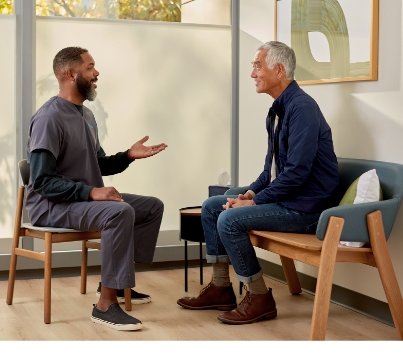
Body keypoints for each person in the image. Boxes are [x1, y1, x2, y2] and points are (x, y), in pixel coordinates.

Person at [177, 41, 339, 325]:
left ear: (278, 70)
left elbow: (297, 173)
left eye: (257, 65)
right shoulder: (277, 111)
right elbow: (271, 171)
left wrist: (253, 202)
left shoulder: (303, 109)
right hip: (288, 200)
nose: (252, 73)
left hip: (307, 209)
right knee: (212, 206)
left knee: (228, 220)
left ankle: (260, 297)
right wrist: (251, 191)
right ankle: (221, 288)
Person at [26, 46, 167, 331]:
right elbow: (41, 180)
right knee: (119, 213)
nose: (96, 73)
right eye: (90, 68)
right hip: (52, 205)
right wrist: (90, 192)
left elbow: (98, 163)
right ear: (70, 73)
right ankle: (105, 305)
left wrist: (128, 155)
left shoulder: (86, 115)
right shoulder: (48, 118)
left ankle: (114, 283)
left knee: (151, 207)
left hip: (80, 202)